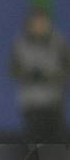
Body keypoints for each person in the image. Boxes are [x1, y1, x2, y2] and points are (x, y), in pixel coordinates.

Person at [10, 8, 70, 144]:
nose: (39, 26)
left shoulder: (59, 43)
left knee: (56, 139)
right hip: (31, 101)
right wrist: (30, 75)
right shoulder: (21, 43)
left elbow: (67, 68)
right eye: (36, 22)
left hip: (54, 100)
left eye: (42, 22)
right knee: (35, 138)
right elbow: (14, 70)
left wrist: (52, 76)